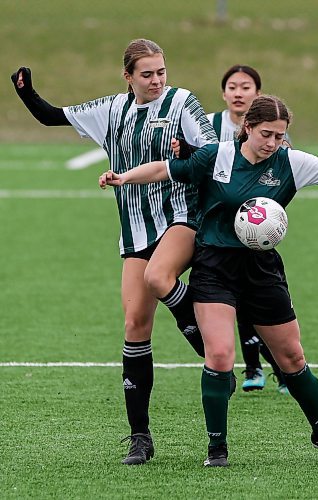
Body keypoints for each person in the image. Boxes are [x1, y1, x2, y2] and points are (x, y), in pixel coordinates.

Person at [99, 94, 318, 466]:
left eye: (280, 136)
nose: (272, 143)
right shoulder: (217, 156)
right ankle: (217, 449)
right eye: (266, 134)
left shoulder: (290, 163)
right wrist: (124, 177)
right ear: (247, 127)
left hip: (261, 270)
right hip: (215, 265)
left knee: (292, 357)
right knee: (219, 354)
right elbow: (164, 170)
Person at [11, 38, 219, 466]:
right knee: (134, 324)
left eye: (161, 71)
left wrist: (189, 151)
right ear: (128, 77)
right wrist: (26, 92)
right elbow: (53, 117)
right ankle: (140, 437)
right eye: (147, 74)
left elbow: (215, 152)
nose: (157, 80)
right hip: (134, 228)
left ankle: (193, 321)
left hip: (182, 214)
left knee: (159, 277)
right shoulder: (112, 110)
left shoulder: (181, 102)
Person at [208, 64, 290, 393]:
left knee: (260, 302)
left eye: (246, 87)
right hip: (217, 229)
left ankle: (279, 366)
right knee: (230, 301)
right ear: (223, 93)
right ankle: (253, 366)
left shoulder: (276, 136)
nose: (238, 92)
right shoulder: (210, 126)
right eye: (232, 86)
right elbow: (199, 161)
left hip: (256, 227)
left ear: (258, 95)